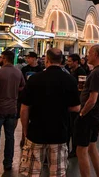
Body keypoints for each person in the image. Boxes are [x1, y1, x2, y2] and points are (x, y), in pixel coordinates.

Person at [19, 48, 81, 177]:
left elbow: (24, 108)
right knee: (57, 172)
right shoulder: (70, 80)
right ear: (62, 61)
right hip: (59, 132)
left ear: (47, 60)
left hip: (36, 132)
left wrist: (25, 131)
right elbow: (76, 108)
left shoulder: (34, 79)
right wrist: (60, 106)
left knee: (32, 172)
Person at [75, 45, 99, 177]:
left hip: (89, 116)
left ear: (96, 54)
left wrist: (82, 113)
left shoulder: (97, 73)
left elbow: (92, 99)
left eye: (89, 53)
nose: (87, 56)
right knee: (92, 147)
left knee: (81, 150)